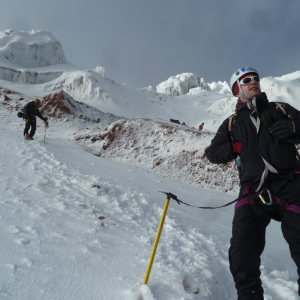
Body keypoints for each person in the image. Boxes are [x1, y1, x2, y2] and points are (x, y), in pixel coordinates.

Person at [205, 67, 300, 300]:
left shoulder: (280, 109)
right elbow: (212, 153)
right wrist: (233, 147)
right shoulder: (232, 123)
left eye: (256, 79)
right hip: (252, 190)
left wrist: (295, 128)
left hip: (290, 182)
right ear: (237, 89)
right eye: (246, 80)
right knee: (241, 251)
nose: (253, 82)